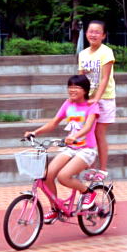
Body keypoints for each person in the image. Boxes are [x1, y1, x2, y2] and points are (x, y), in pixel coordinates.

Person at [23, 74, 100, 224]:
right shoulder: (68, 103)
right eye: (70, 87)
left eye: (76, 87)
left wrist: (75, 136)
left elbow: (87, 127)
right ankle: (55, 209)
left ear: (85, 90)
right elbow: (53, 123)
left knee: (63, 177)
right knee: (47, 176)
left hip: (86, 149)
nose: (72, 90)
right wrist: (35, 132)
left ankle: (88, 193)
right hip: (70, 148)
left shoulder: (92, 105)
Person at [77, 20, 115, 177]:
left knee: (99, 134)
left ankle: (103, 169)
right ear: (86, 33)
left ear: (103, 35)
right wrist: (80, 98)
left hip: (104, 98)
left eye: (97, 32)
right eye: (90, 31)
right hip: (88, 99)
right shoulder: (83, 54)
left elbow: (105, 78)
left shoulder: (106, 52)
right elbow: (80, 78)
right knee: (89, 134)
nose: (93, 34)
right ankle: (91, 168)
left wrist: (97, 98)